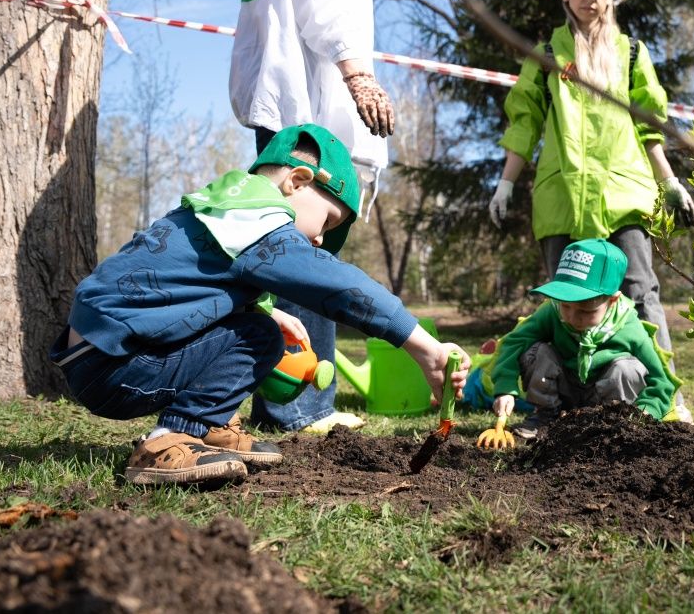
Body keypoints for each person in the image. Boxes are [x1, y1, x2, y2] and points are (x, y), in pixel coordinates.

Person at [48, 124, 470, 486]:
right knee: (260, 336)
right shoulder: (259, 220)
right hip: (119, 366)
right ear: (298, 182)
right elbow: (340, 286)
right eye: (328, 221)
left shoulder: (224, 207)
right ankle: (171, 439)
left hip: (97, 355)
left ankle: (210, 425)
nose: (320, 239)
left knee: (261, 322)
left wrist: (267, 308)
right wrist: (424, 347)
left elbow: (188, 288)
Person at [487, 0, 694, 422]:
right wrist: (505, 183)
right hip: (561, 197)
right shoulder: (547, 55)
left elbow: (649, 125)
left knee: (639, 294)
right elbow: (525, 120)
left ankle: (668, 402)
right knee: (564, 301)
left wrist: (670, 181)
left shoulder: (632, 53)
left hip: (624, 194)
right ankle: (558, 409)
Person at [228, 0, 395, 433]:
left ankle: (295, 403)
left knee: (298, 248)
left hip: (288, 97)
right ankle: (297, 409)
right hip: (305, 101)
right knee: (300, 252)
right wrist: (357, 72)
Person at [488, 240, 684, 440]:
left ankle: (612, 426)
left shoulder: (629, 327)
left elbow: (661, 381)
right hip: (563, 393)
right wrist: (505, 388)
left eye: (585, 311)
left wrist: (646, 413)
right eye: (566, 306)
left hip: (606, 401)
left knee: (628, 368)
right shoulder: (551, 312)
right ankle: (546, 417)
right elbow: (514, 342)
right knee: (537, 352)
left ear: (612, 300)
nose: (572, 317)